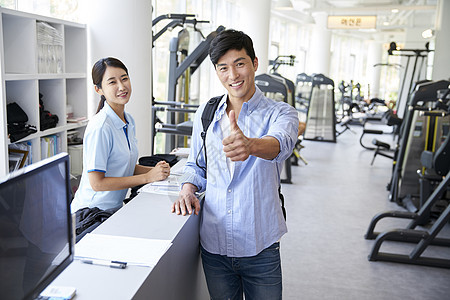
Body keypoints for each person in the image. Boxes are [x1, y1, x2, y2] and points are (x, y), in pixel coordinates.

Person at [172, 30, 299, 300]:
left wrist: (251, 145)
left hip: (260, 245)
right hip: (214, 245)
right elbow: (196, 165)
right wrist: (187, 188)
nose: (233, 75)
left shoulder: (281, 112)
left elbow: (281, 143)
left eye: (240, 64)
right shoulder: (207, 114)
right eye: (223, 68)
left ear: (254, 63)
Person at [71, 57, 170, 214]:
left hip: (112, 210)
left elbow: (124, 166)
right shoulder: (101, 127)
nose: (122, 86)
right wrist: (148, 177)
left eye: (124, 79)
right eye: (112, 82)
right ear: (99, 90)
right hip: (90, 213)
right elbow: (97, 183)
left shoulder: (128, 120)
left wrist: (156, 171)